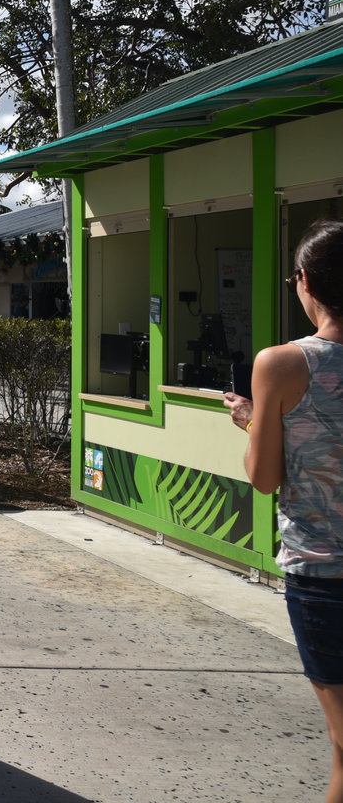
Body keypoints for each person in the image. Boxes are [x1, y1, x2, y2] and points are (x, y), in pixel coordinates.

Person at [225, 217, 343, 803]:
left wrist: (254, 423)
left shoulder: (282, 364)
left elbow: (264, 477)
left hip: (324, 576)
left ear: (304, 282)